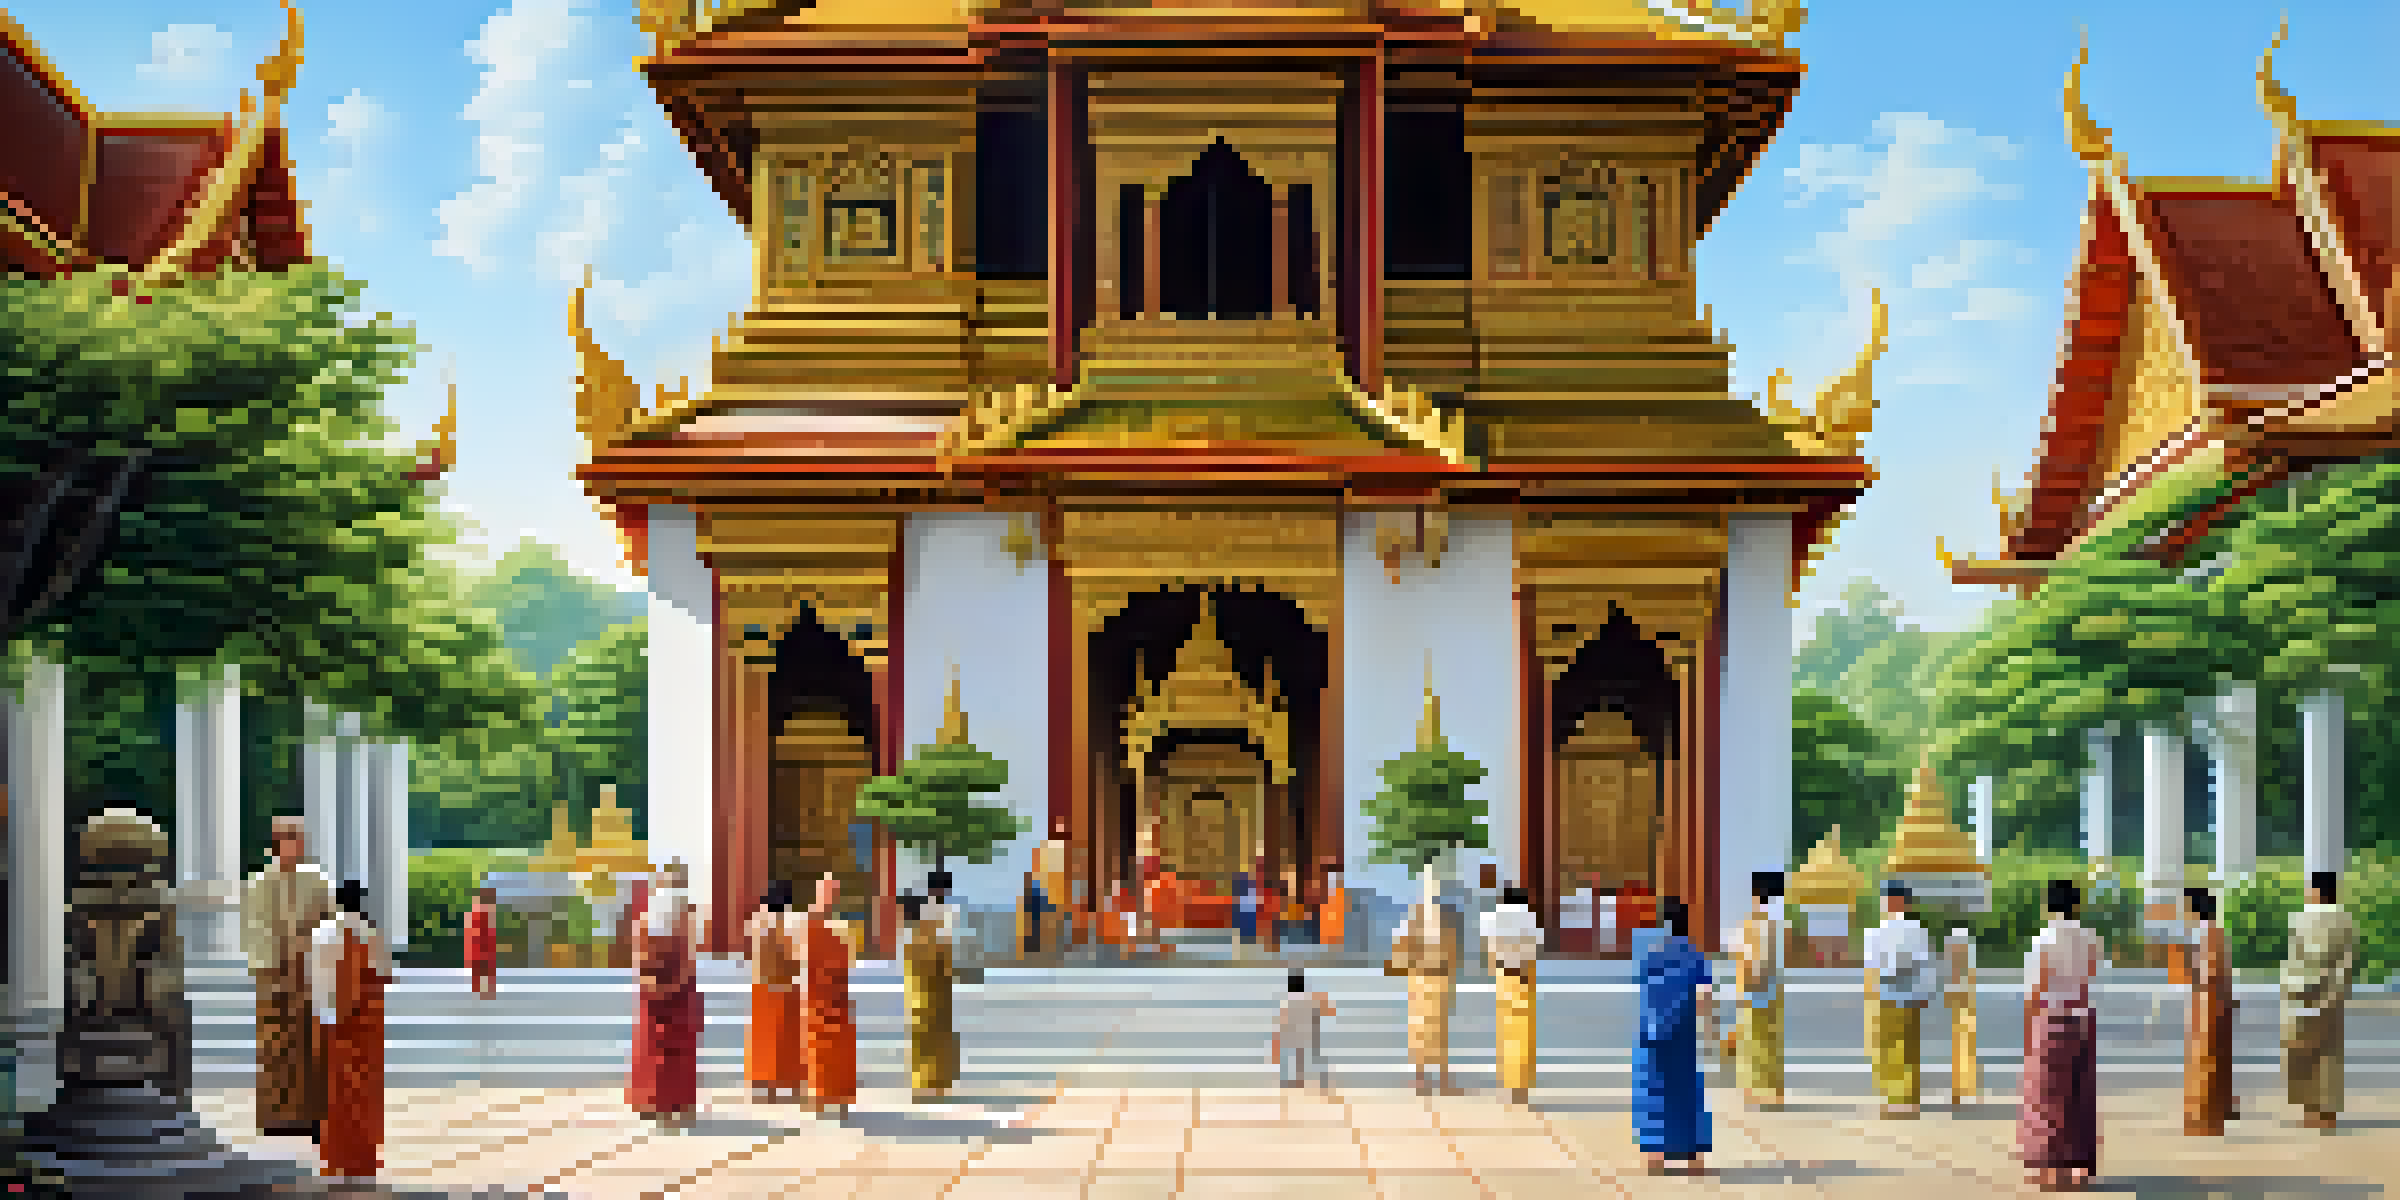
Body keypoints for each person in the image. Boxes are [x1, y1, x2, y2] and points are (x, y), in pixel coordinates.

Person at [240, 815, 333, 1139]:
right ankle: (277, 1117)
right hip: (274, 975)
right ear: (277, 841)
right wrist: (275, 963)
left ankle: (310, 1115)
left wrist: (311, 952)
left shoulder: (318, 881)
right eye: (290, 836)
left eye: (299, 836)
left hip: (309, 975)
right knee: (275, 1046)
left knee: (310, 1047)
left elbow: (330, 922)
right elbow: (253, 930)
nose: (296, 843)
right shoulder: (258, 883)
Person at [2018, 878, 2105, 1191]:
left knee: (2046, 1095)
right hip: (2081, 1018)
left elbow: (2035, 989)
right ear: (2076, 905)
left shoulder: (2044, 939)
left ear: (2048, 905)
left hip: (2050, 1018)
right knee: (2079, 1094)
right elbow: (2089, 978)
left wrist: (2029, 1024)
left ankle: (2050, 1166)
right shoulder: (2089, 938)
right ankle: (2080, 1164)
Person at [310, 879, 392, 1180]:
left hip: (335, 1021)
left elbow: (316, 981)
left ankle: (336, 1158)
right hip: (366, 1025)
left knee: (336, 1091)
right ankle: (364, 1159)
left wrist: (323, 1013)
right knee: (364, 1091)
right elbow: (384, 977)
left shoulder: (322, 934)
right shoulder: (372, 935)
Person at [1633, 894, 1714, 1176]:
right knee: (1687, 1093)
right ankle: (1694, 1160)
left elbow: (1642, 990)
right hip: (1682, 1033)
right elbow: (1704, 996)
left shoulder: (1649, 952)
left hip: (1652, 1033)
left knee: (1654, 1092)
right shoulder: (1694, 954)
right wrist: (1711, 1031)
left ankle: (1655, 1159)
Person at [2282, 870, 2360, 1132]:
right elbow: (2347, 963)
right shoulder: (2346, 921)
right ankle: (2328, 1114)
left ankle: (2310, 1112)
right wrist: (2334, 994)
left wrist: (2293, 992)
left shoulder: (2301, 919)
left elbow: (2295, 960)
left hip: (2303, 995)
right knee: (2329, 1056)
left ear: (2316, 892)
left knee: (2304, 1054)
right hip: (2331, 998)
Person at [630, 859, 704, 1132]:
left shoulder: (649, 912)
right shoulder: (686, 911)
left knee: (653, 1044)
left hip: (654, 985)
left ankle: (651, 1102)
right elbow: (688, 952)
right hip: (678, 987)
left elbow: (641, 949)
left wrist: (650, 980)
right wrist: (680, 980)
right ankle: (677, 1104)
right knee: (676, 1048)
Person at [1386, 869, 1463, 1094]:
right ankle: (1426, 1077)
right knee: (1425, 1029)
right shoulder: (1420, 919)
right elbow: (1403, 947)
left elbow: (1450, 951)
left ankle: (1435, 1077)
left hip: (1431, 977)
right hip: (1424, 977)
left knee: (1434, 1030)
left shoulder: (1437, 920)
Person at [1862, 879, 1934, 1118]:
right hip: (1911, 994)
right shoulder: (1918, 931)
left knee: (1888, 1047)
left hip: (1886, 994)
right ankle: (1910, 1099)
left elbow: (1870, 969)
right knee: (1910, 1048)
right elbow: (1925, 966)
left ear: (1890, 901)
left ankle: (1894, 1099)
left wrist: (1870, 997)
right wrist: (1925, 993)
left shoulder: (1875, 932)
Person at [799, 873, 859, 1117]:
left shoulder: (841, 928)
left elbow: (848, 960)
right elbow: (803, 958)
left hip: (837, 995)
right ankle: (819, 1094)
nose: (829, 898)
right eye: (826, 892)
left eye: (832, 892)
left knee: (838, 1048)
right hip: (817, 997)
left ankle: (839, 1094)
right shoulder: (810, 926)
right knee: (818, 1047)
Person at [745, 879, 804, 1104]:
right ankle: (790, 1084)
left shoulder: (757, 922)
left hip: (761, 986)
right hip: (785, 987)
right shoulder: (787, 924)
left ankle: (762, 1085)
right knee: (787, 1040)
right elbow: (794, 956)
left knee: (763, 1039)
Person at [2182, 886, 2235, 1135]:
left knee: (2206, 1060)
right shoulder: (2216, 934)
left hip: (2207, 1003)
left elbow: (2205, 974)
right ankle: (2211, 1113)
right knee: (2214, 1060)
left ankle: (2205, 1118)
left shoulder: (2205, 935)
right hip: (2214, 1002)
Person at [1732, 871, 1786, 1111]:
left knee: (1755, 1044)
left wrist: (1746, 984)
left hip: (1754, 990)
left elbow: (1749, 959)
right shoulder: (1777, 924)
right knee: (1769, 1043)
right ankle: (1771, 1092)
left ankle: (1757, 1093)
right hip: (1771, 990)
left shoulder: (1751, 924)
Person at [907, 872, 963, 1101]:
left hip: (924, 980)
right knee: (937, 1029)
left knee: (925, 1029)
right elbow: (948, 948)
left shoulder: (923, 914)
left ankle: (925, 1081)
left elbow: (913, 950)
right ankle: (938, 1081)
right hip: (936, 980)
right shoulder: (948, 914)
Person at [1483, 885, 1541, 1106]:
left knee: (1505, 1030)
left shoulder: (1492, 918)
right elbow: (1534, 946)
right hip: (1524, 974)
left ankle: (1506, 1084)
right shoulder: (1528, 917)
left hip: (1502, 975)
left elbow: (1489, 949)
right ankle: (1521, 1088)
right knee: (1524, 1033)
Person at [1269, 968, 1336, 1091]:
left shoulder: (1287, 1002)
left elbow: (1282, 1023)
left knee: (1297, 1060)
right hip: (1310, 1035)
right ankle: (1323, 1083)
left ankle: (1295, 1082)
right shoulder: (1312, 998)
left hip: (1294, 1036)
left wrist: (1277, 1041)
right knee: (1315, 1059)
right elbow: (1330, 1011)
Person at [1944, 925, 1980, 1107]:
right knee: (1963, 1047)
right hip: (1964, 1002)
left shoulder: (1957, 950)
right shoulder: (1966, 949)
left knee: (1962, 1047)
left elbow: (1957, 975)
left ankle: (1961, 1091)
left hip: (1962, 1002)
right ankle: (1962, 1090)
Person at [463, 886, 499, 998]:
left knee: (487, 978)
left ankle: (486, 995)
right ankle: (481, 995)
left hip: (486, 952)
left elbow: (492, 936)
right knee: (479, 978)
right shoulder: (472, 916)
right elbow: (469, 937)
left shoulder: (490, 916)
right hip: (478, 952)